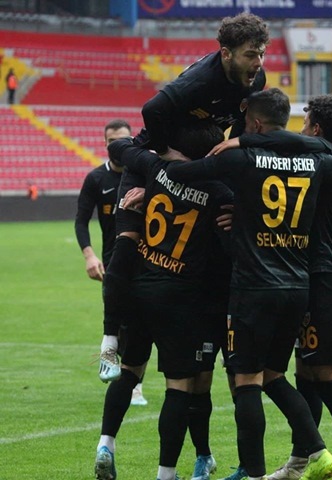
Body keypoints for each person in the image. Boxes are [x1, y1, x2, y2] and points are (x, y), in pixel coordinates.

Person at [166, 88, 332, 480]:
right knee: (281, 376)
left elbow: (180, 175)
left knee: (248, 382)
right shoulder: (316, 160)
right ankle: (312, 454)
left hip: (256, 287)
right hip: (299, 285)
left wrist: (164, 159)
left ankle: (260, 473)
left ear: (255, 124)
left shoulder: (241, 158)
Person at [118, 12, 270, 480]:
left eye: (262, 53)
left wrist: (231, 150)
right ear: (225, 54)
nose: (258, 62)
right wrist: (166, 159)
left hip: (203, 165)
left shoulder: (254, 80)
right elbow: (149, 114)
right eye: (251, 54)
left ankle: (222, 462)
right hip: (167, 154)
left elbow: (244, 123)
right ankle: (112, 336)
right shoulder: (195, 85)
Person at [230, 96, 332, 480]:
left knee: (328, 379)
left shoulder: (317, 161)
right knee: (306, 376)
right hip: (328, 276)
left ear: (316, 129)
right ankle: (301, 460)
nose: (299, 129)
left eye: (305, 123)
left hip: (321, 280)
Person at [95, 122, 234, 480]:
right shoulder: (218, 191)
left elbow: (120, 148)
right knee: (179, 387)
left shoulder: (158, 171)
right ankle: (166, 473)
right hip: (179, 299)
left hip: (140, 290)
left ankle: (106, 443)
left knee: (131, 371)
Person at [74, 119, 148, 406]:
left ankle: (135, 384)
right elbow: (81, 221)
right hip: (111, 263)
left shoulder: (142, 174)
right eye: (112, 141)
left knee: (139, 322)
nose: (117, 145)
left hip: (145, 260)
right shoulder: (96, 179)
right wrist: (89, 255)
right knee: (121, 319)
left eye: (123, 140)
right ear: (105, 144)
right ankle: (116, 365)